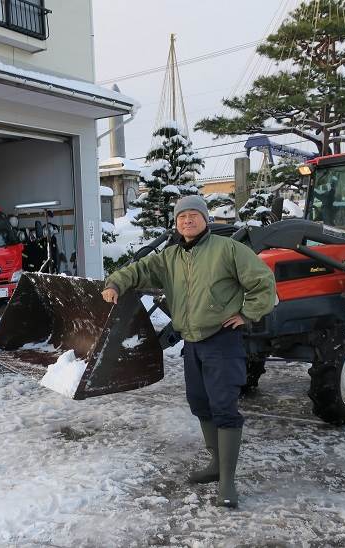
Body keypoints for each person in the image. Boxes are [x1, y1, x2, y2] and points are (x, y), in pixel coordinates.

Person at [102, 195, 276, 508]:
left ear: (205, 219)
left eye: (194, 215)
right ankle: (215, 464)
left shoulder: (228, 250)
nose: (187, 221)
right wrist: (114, 283)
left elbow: (262, 281)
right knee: (199, 401)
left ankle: (228, 481)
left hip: (222, 339)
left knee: (224, 406)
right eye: (182, 217)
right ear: (176, 222)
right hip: (192, 341)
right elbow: (138, 269)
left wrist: (248, 312)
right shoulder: (169, 257)